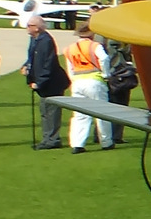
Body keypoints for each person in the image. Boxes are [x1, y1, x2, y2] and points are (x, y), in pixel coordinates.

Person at [63, 22, 114, 152]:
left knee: (79, 115)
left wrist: (73, 80)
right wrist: (106, 74)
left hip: (77, 82)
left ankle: (77, 144)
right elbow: (104, 59)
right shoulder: (95, 46)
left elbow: (70, 68)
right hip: (94, 80)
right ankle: (106, 141)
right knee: (102, 113)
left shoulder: (69, 48)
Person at [20, 14, 69, 149]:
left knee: (51, 112)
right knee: (44, 111)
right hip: (42, 82)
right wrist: (26, 66)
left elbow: (48, 64)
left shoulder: (46, 41)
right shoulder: (34, 39)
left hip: (52, 83)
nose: (27, 28)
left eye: (30, 26)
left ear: (37, 28)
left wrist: (39, 82)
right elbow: (32, 57)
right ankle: (47, 138)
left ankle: (52, 140)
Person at [102, 36, 138, 145]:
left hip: (108, 79)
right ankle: (116, 136)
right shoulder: (119, 49)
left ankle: (101, 134)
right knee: (120, 107)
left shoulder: (102, 43)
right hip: (119, 79)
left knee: (105, 108)